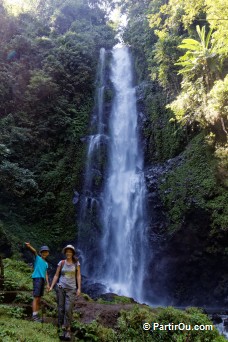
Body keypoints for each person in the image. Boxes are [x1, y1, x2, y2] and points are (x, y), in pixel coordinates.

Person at [49, 244, 81, 341]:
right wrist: (51, 286)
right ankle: (61, 327)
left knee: (68, 309)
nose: (68, 253)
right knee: (61, 308)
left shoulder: (76, 263)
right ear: (65, 252)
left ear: (73, 253)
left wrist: (79, 288)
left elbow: (78, 276)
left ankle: (68, 329)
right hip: (61, 287)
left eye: (70, 251)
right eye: (67, 251)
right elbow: (56, 275)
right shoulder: (61, 262)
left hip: (71, 289)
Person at [25, 242, 50, 322]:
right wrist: (29, 246)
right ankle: (34, 315)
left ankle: (36, 314)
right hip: (37, 278)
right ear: (41, 253)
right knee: (36, 297)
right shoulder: (37, 258)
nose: (45, 253)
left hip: (42, 280)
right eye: (43, 252)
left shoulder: (46, 263)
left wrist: (48, 284)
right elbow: (34, 251)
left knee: (39, 298)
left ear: (48, 253)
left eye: (46, 252)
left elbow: (46, 273)